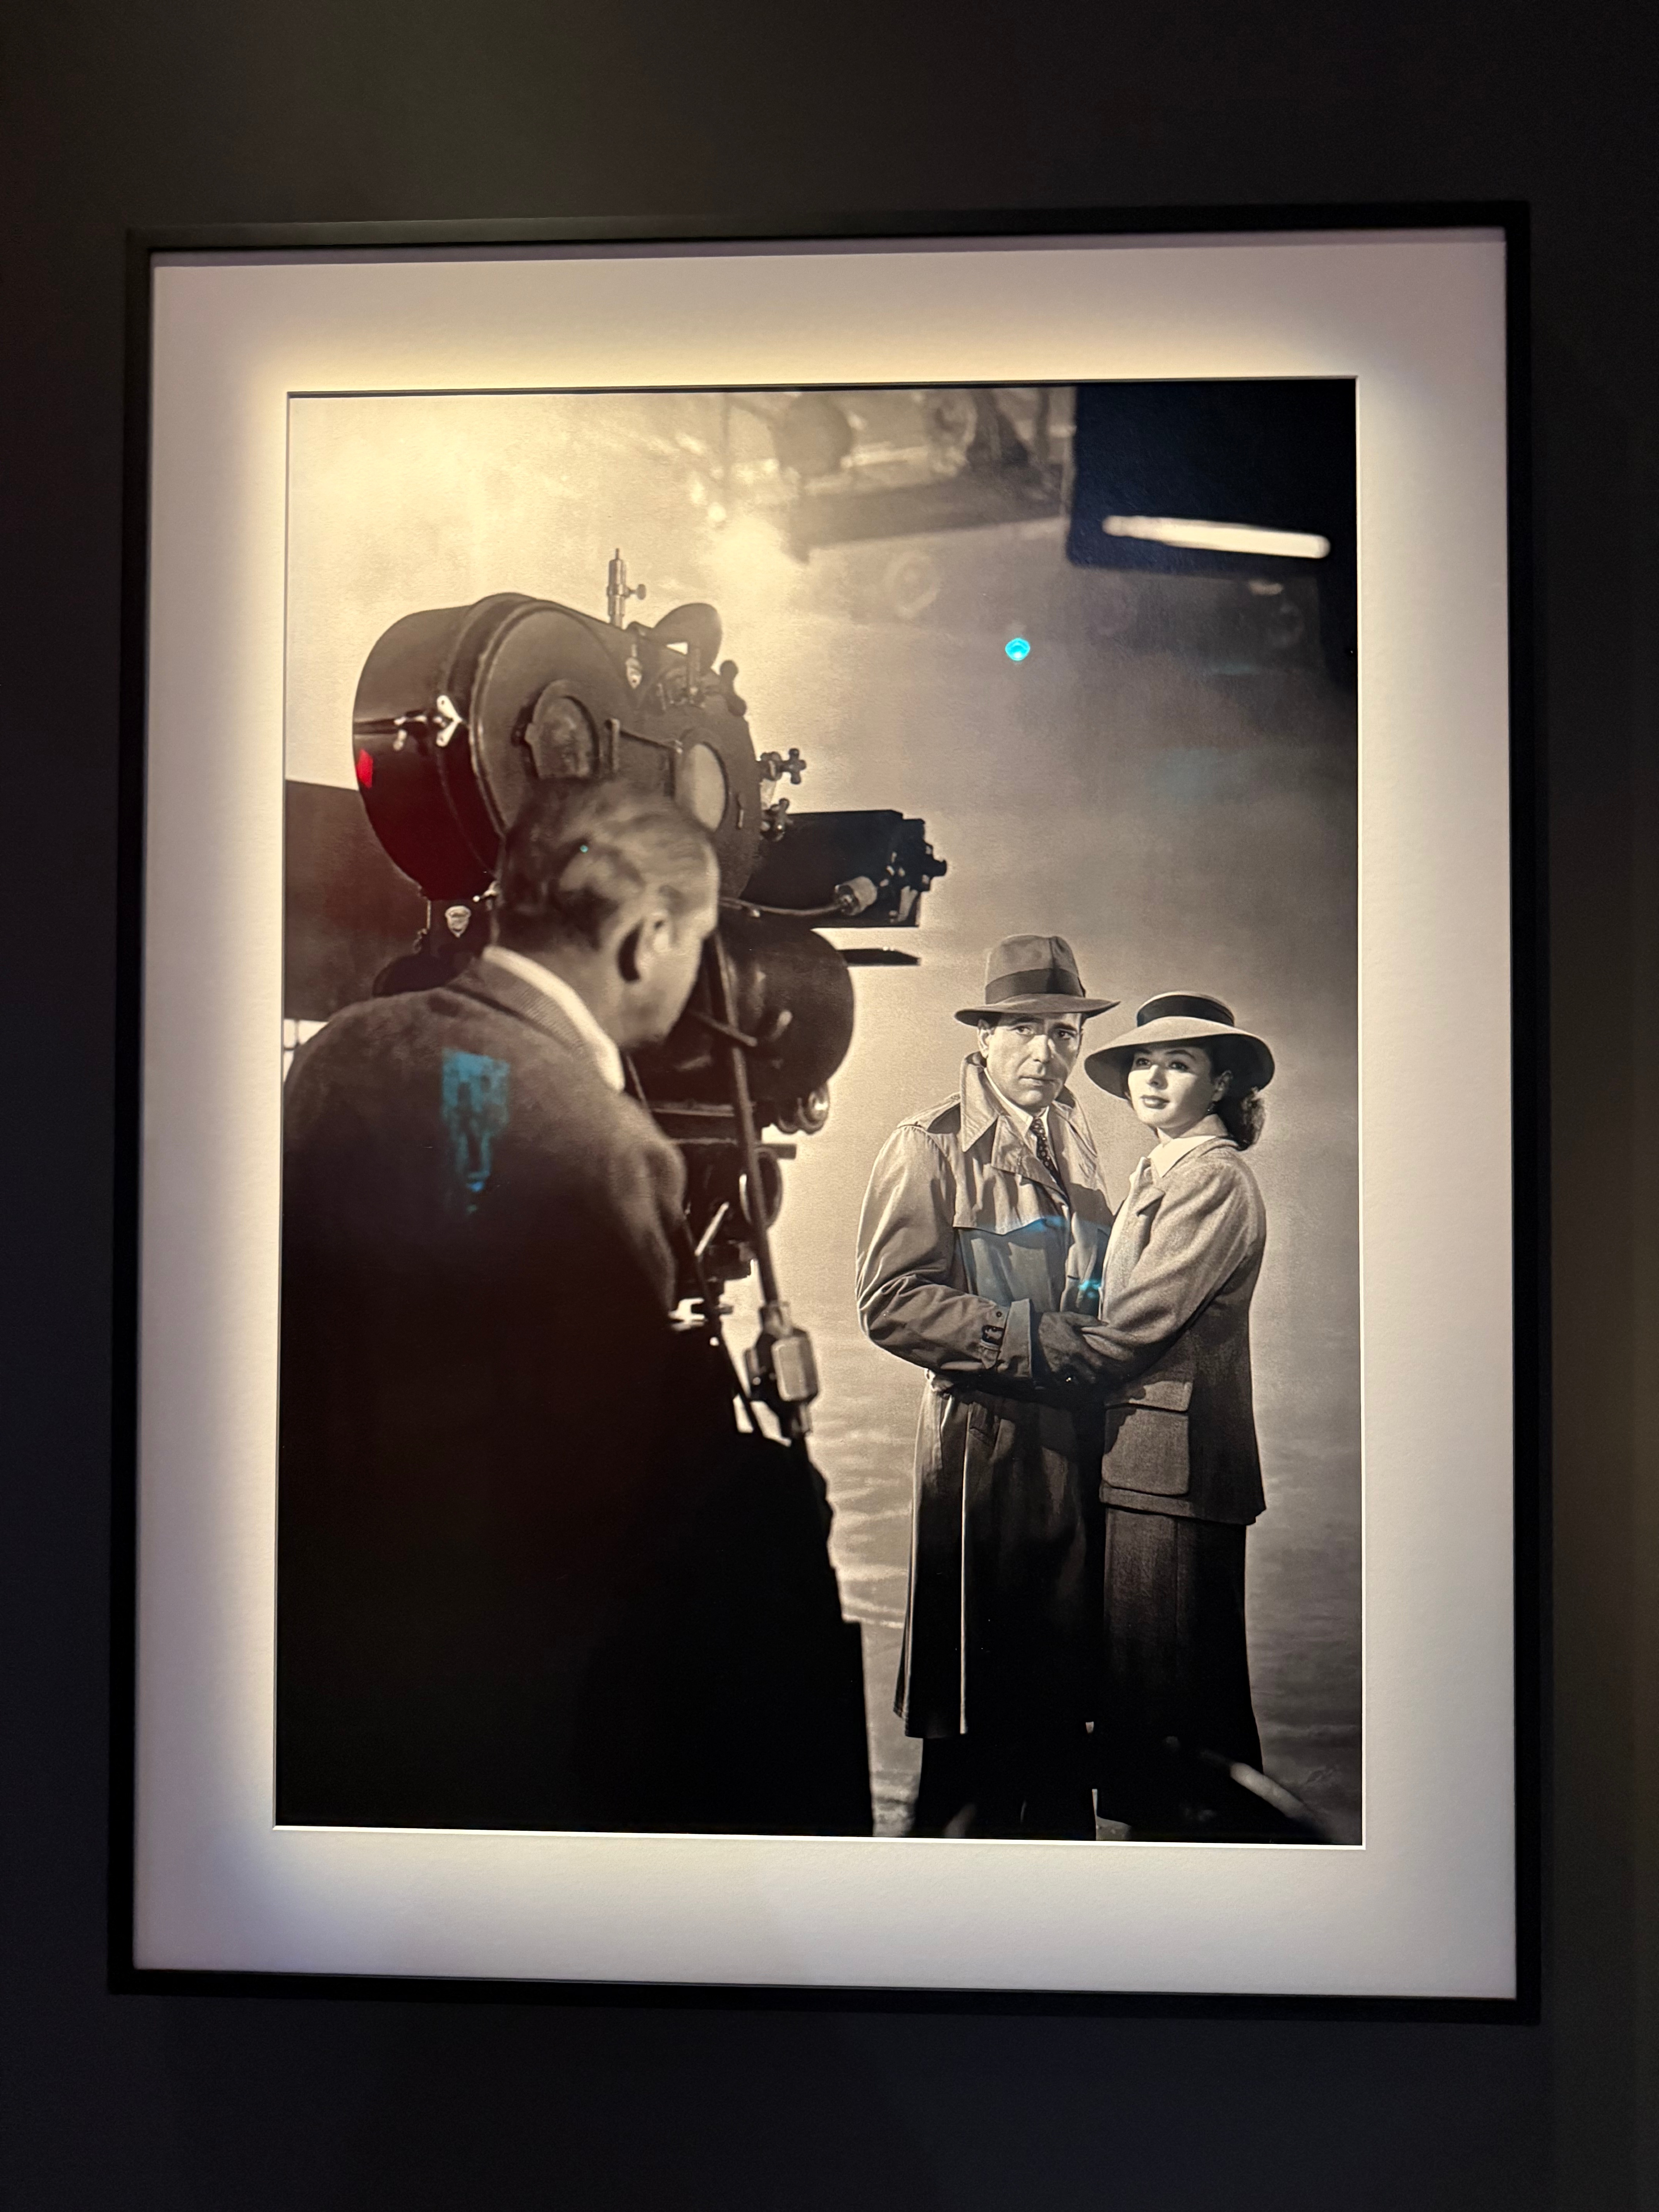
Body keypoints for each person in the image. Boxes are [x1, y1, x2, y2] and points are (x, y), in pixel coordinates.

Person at [276, 774, 870, 1836]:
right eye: (696, 945)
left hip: (318, 1661)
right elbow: (600, 1493)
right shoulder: (601, 1143)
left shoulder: (338, 1053)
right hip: (496, 1711)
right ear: (648, 940)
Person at [855, 935, 1117, 1838]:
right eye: (1026, 1030)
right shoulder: (926, 1146)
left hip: (1078, 1451)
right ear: (986, 1037)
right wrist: (1032, 1338)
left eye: (1065, 1033)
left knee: (1062, 1727)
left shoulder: (1074, 1133)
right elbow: (890, 1302)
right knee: (975, 1725)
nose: (1047, 1052)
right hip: (986, 1455)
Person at [1036, 991, 1275, 1837]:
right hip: (1146, 1461)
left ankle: (1198, 1875)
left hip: (1174, 1468)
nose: (1154, 1078)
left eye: (1179, 1064)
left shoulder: (1211, 1178)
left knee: (1173, 1701)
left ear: (1221, 1085)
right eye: (1143, 1062)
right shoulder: (1162, 1169)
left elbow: (1138, 1321)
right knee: (1152, 1692)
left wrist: (1024, 1358)